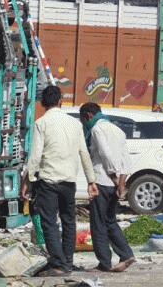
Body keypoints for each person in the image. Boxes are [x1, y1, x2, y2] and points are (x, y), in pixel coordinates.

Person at [22, 86, 98, 276]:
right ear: (60, 101)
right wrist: (91, 181)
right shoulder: (75, 124)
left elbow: (35, 156)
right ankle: (67, 262)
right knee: (69, 221)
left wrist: (27, 180)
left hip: (48, 181)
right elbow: (84, 153)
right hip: (69, 182)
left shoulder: (42, 123)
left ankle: (58, 264)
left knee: (49, 223)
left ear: (42, 103)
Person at [79, 103, 135, 273]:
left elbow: (105, 154)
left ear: (88, 115)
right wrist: (121, 182)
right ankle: (126, 254)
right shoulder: (117, 130)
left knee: (98, 223)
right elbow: (126, 159)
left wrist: (113, 177)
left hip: (102, 181)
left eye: (83, 119)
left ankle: (104, 262)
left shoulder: (96, 130)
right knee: (110, 220)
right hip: (114, 184)